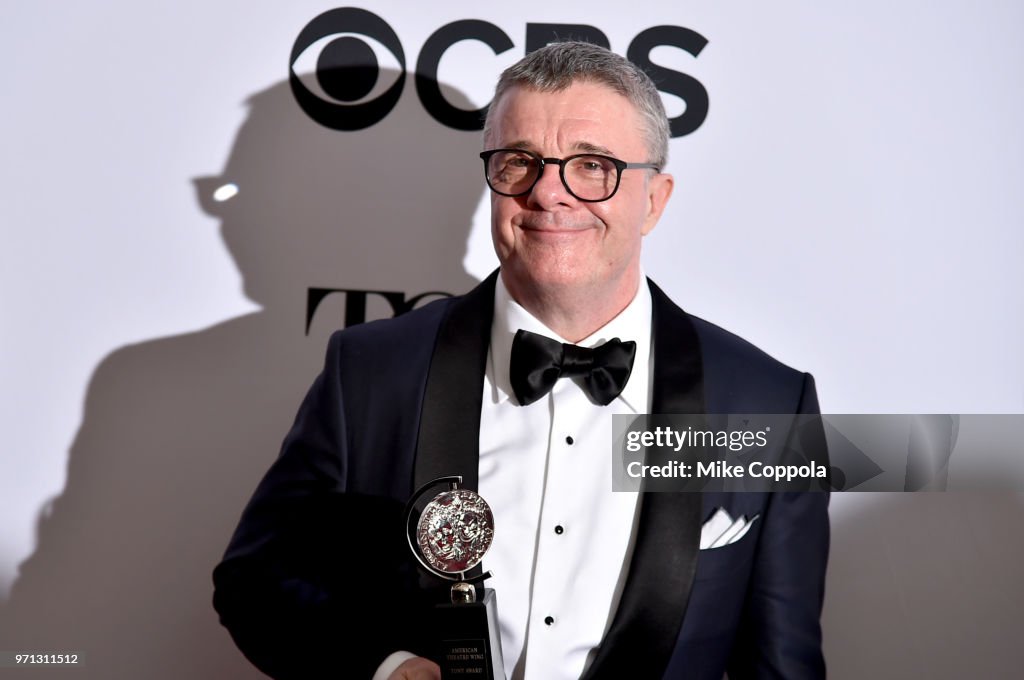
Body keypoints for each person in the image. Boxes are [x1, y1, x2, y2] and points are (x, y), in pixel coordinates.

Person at [213, 41, 829, 680]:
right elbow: (255, 580)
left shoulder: (768, 402)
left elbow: (782, 663)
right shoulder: (372, 372)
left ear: (654, 199)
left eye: (593, 166)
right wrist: (386, 668)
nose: (550, 193)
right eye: (519, 162)